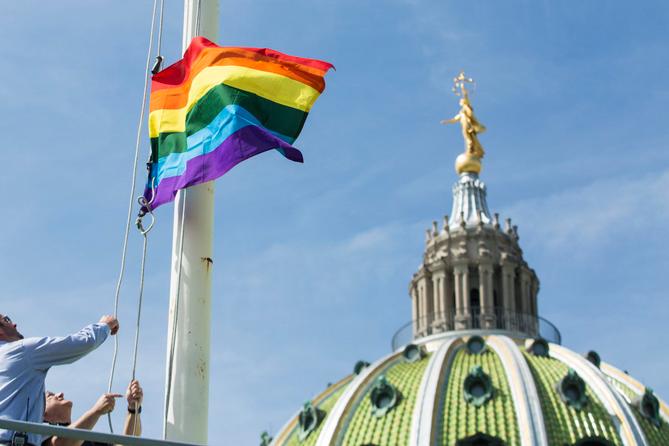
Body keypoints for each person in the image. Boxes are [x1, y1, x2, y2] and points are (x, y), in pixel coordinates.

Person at [0, 313, 119, 446]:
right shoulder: (20, 351)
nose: (14, 324)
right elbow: (79, 344)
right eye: (7, 320)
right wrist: (104, 325)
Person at [42, 380, 144, 446]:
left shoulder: (88, 439)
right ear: (42, 414)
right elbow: (59, 444)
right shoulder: (35, 434)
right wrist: (96, 411)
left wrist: (134, 409)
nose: (60, 394)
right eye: (50, 396)